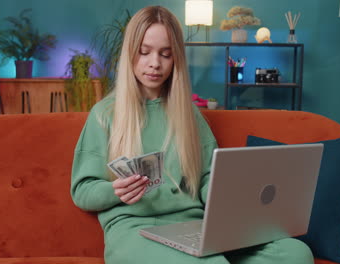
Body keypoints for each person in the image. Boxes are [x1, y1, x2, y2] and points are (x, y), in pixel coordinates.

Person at [71, 6, 314, 264]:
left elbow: (210, 176)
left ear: (176, 59)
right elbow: (82, 190)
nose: (155, 63)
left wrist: (234, 199)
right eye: (144, 52)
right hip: (134, 231)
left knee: (296, 253)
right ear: (130, 53)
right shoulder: (104, 114)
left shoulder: (189, 114)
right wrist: (114, 191)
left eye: (166, 54)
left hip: (194, 226)